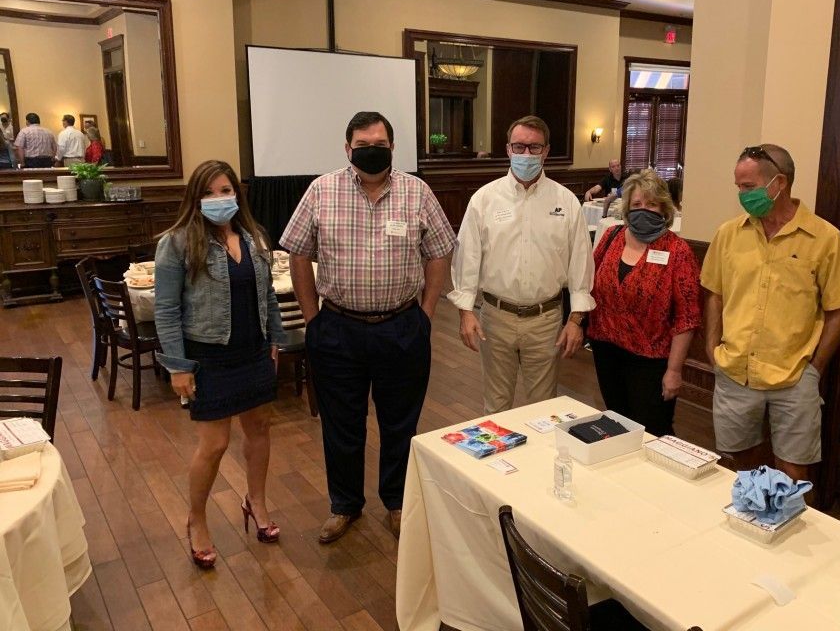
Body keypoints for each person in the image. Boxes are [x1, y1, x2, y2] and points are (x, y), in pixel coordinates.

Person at [280, 111, 455, 544]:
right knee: (341, 423)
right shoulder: (322, 191)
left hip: (401, 327)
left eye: (379, 143)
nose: (371, 150)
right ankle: (344, 505)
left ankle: (396, 502)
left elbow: (439, 253)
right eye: (362, 145)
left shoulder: (418, 192)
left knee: (400, 422)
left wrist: (426, 313)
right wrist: (312, 318)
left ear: (393, 147)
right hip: (337, 328)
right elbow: (298, 253)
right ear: (347, 149)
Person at [701, 144, 840, 482]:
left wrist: (814, 370)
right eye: (739, 187)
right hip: (735, 370)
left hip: (794, 375)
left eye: (748, 187)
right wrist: (712, 350)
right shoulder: (728, 234)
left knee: (794, 471)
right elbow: (714, 294)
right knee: (740, 464)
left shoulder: (825, 238)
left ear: (780, 183)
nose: (742, 195)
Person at [154, 160, 285, 569]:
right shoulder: (177, 243)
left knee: (259, 430)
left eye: (225, 190)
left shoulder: (253, 237)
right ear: (195, 199)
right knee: (214, 445)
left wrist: (275, 338)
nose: (218, 199)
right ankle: (197, 520)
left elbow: (267, 296)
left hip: (254, 353)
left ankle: (256, 503)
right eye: (208, 193)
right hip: (210, 356)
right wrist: (177, 365)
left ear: (237, 194)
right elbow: (166, 309)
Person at [449, 115, 595, 414]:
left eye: (534, 147)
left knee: (544, 410)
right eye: (520, 146)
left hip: (546, 320)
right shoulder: (484, 200)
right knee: (496, 405)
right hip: (495, 318)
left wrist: (576, 319)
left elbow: (581, 262)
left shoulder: (566, 202)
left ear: (546, 151)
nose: (526, 154)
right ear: (508, 149)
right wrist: (465, 312)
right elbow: (467, 259)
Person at [587, 170, 701, 436]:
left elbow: (687, 317)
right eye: (637, 204)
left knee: (653, 431)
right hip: (607, 351)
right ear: (627, 207)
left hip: (651, 361)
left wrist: (674, 370)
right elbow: (590, 285)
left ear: (664, 207)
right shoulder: (611, 237)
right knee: (617, 425)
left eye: (651, 204)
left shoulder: (677, 251)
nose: (643, 210)